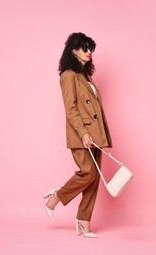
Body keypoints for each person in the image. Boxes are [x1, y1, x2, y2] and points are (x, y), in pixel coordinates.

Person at [43, 32, 112, 238]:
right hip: (82, 133)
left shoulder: (85, 75)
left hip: (96, 133)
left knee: (94, 178)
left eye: (91, 48)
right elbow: (70, 109)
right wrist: (83, 133)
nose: (89, 51)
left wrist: (97, 133)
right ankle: (56, 197)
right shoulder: (68, 76)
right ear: (73, 50)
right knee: (88, 172)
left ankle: (84, 221)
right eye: (84, 47)